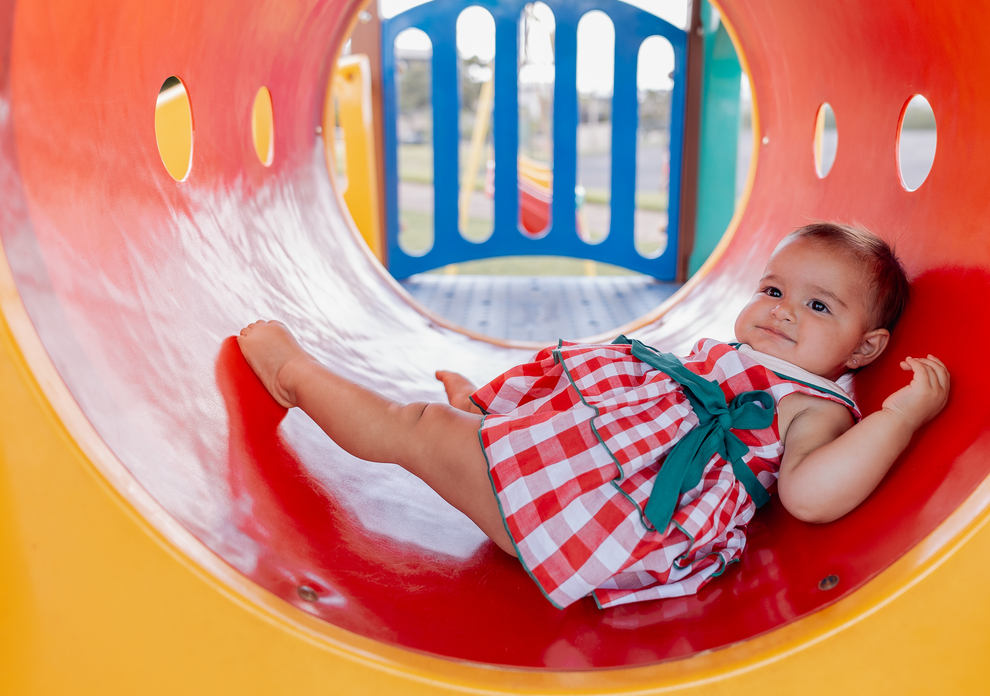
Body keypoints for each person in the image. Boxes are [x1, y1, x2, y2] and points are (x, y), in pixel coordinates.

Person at [237, 223, 949, 609]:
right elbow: (621, 411)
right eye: (772, 287)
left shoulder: (811, 407)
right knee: (470, 422)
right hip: (583, 477)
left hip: (602, 517)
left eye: (817, 305)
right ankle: (486, 424)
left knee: (416, 430)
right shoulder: (740, 359)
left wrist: (902, 417)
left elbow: (811, 494)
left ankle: (295, 376)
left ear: (867, 347)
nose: (781, 310)